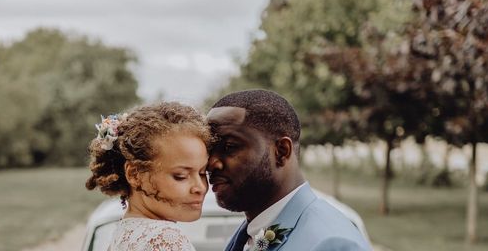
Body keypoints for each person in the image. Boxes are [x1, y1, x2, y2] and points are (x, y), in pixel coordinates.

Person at [207, 89, 371, 251]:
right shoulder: (250, 232)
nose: (211, 163)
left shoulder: (334, 244)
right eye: (209, 150)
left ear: (281, 151)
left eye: (229, 147)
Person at [86, 101, 211, 251]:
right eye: (181, 176)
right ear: (135, 175)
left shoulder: (124, 235)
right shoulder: (165, 239)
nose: (201, 187)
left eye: (203, 173)